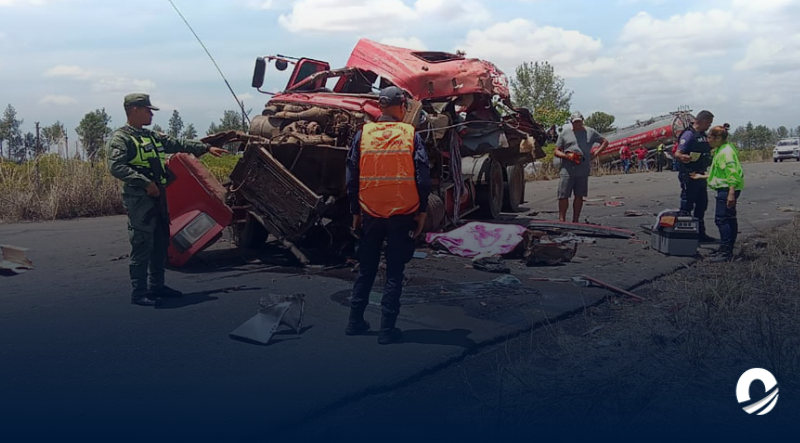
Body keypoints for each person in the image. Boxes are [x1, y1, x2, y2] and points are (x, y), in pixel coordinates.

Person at [107, 93, 227, 306]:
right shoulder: (121, 138)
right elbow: (116, 167)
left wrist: (207, 148)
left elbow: (177, 143)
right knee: (142, 243)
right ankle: (139, 292)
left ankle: (157, 286)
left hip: (159, 198)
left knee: (160, 242)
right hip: (140, 199)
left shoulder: (152, 136)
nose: (151, 114)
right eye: (147, 110)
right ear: (134, 110)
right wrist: (145, 183)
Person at [345, 86, 431, 345]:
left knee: (366, 269)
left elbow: (351, 176)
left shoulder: (363, 134)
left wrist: (355, 211)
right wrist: (422, 211)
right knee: (394, 272)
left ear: (380, 107)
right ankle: (386, 330)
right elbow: (422, 177)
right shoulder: (410, 135)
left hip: (370, 212)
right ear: (400, 107)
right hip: (402, 213)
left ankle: (354, 322)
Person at [689, 125, 744, 262]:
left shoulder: (726, 153)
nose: (708, 140)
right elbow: (719, 173)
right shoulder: (722, 149)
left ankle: (726, 252)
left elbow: (733, 173)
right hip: (726, 187)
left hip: (727, 189)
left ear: (718, 138)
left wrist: (731, 193)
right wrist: (701, 177)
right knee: (729, 218)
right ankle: (726, 248)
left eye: (710, 137)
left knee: (722, 219)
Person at [554, 111, 608, 223]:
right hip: (567, 169)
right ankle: (562, 220)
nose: (577, 124)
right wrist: (566, 156)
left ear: (582, 121)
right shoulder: (565, 133)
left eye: (579, 122)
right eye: (575, 123)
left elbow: (605, 142)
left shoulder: (590, 132)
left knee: (579, 195)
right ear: (571, 123)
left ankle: (575, 220)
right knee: (563, 195)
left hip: (582, 168)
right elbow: (556, 151)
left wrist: (595, 153)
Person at [674, 110, 716, 243]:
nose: (709, 126)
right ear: (703, 121)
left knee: (702, 204)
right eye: (709, 123)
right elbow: (677, 153)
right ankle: (684, 236)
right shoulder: (688, 134)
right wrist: (683, 157)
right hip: (689, 175)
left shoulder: (703, 136)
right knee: (687, 205)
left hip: (701, 174)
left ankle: (700, 235)